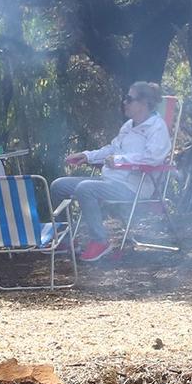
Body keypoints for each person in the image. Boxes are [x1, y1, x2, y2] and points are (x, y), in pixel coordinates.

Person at [55, 82, 172, 263]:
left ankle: (100, 241)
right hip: (110, 182)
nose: (124, 102)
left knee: (86, 188)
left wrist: (120, 160)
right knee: (59, 185)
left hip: (134, 186)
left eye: (129, 99)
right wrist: (86, 156)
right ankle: (66, 238)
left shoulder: (157, 127)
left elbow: (153, 158)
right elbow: (112, 149)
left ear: (144, 103)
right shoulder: (128, 126)